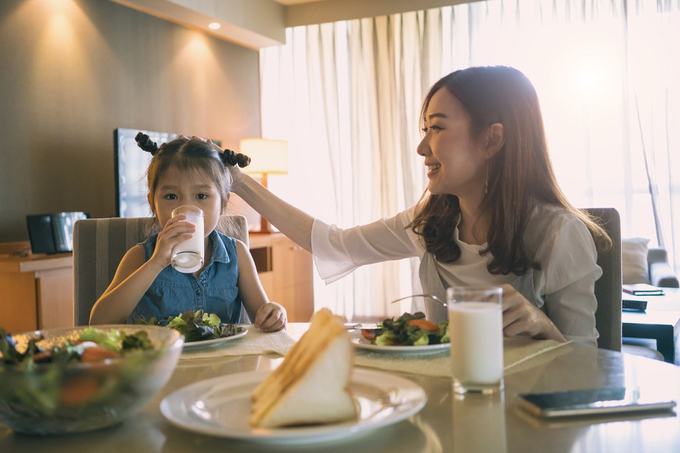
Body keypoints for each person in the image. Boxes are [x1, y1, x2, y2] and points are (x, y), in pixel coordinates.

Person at [204, 65, 612, 346]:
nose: (421, 148)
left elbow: (593, 367)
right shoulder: (431, 222)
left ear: (492, 139)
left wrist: (544, 327)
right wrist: (238, 180)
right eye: (424, 129)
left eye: (436, 128)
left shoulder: (559, 234)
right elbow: (334, 242)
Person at [89, 134, 287, 332]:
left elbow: (262, 316)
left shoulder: (236, 254)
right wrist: (156, 263)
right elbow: (98, 322)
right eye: (171, 196)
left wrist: (274, 313)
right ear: (153, 203)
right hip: (163, 360)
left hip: (225, 360)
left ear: (222, 203)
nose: (186, 208)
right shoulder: (141, 256)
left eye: (201, 196)